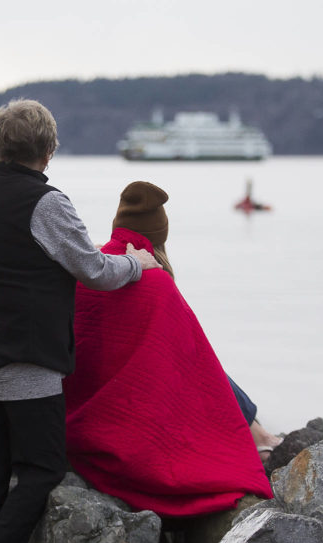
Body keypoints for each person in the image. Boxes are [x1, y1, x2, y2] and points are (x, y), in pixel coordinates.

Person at [0, 99, 161, 543]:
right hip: (25, 359)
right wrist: (136, 263)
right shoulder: (46, 203)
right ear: (49, 149)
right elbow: (94, 271)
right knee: (44, 468)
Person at [63, 181, 277, 521]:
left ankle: (259, 432)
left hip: (75, 419)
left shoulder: (88, 272)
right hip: (130, 429)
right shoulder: (156, 282)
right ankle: (258, 434)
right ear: (159, 236)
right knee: (194, 355)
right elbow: (195, 364)